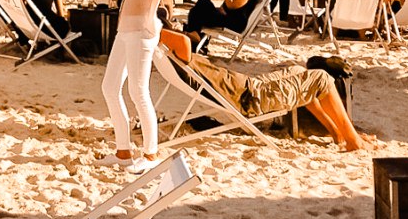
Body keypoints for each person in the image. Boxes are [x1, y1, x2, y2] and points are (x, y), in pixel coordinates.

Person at [157, 30, 371, 152]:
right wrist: (153, 25)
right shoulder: (179, 53)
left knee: (298, 71)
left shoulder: (170, 56)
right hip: (251, 97)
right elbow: (184, 41)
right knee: (322, 78)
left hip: (249, 86)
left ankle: (337, 132)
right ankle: (353, 141)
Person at [98, 0, 174, 173]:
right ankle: (123, 151)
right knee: (109, 87)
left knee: (138, 91)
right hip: (125, 25)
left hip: (144, 27)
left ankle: (151, 154)